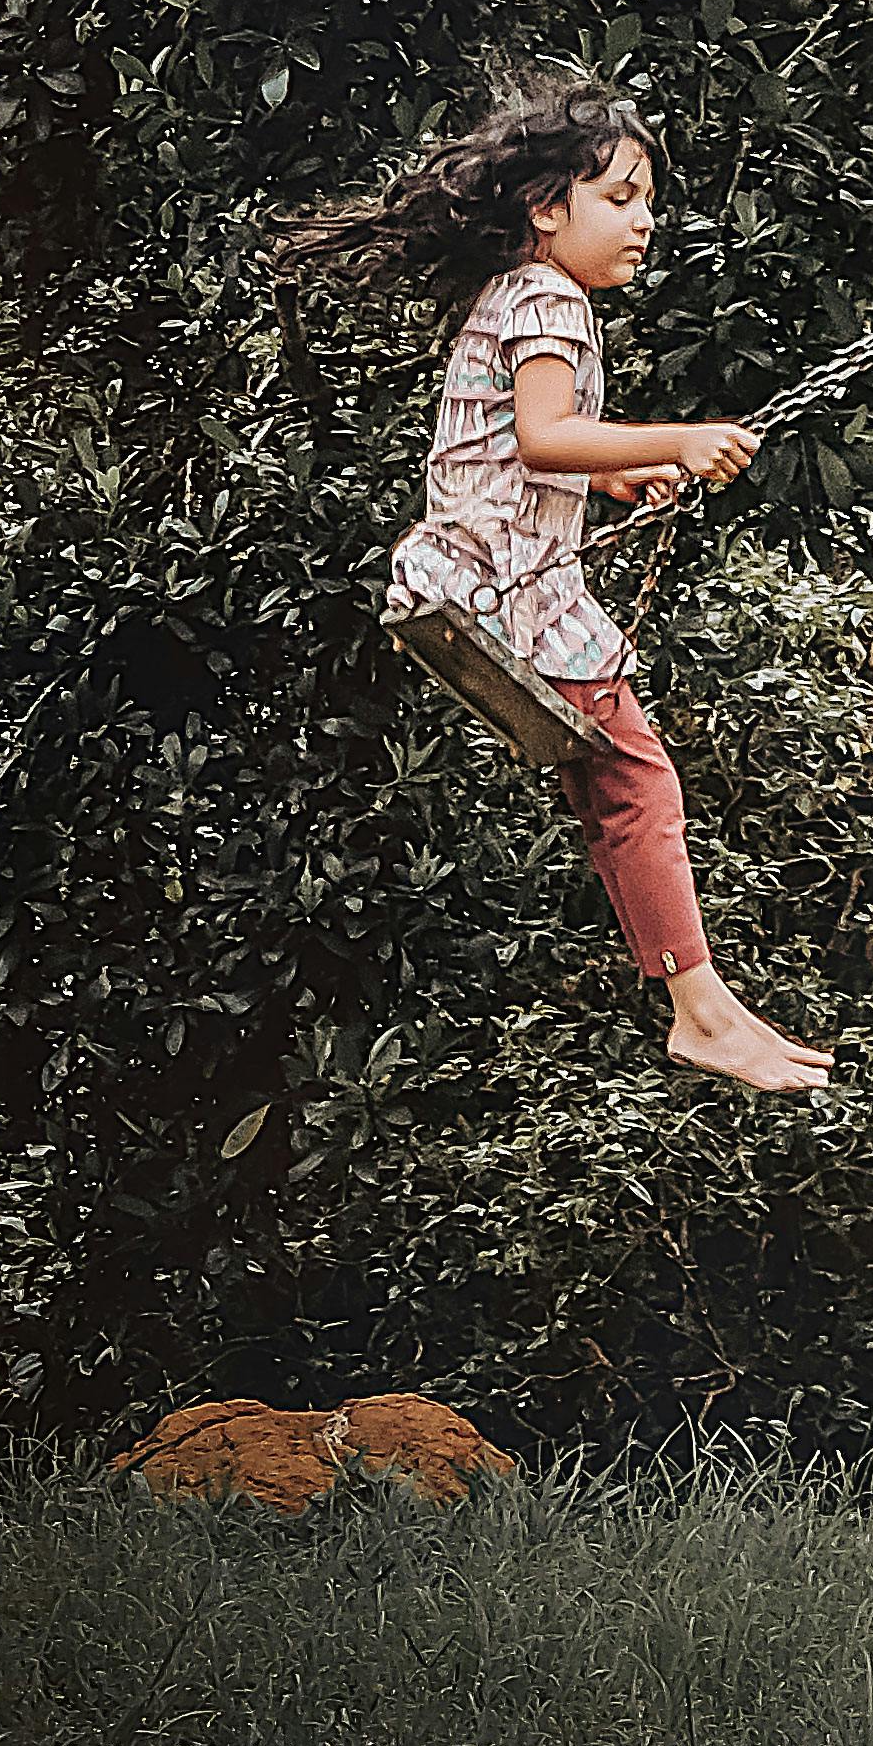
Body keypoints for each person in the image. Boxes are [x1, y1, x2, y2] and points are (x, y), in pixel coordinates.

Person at [271, 72, 830, 1094]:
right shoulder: (552, 297)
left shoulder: (514, 294)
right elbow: (542, 433)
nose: (644, 222)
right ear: (546, 207)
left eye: (648, 200)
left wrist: (614, 471)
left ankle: (703, 999)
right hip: (507, 592)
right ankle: (700, 1009)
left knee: (615, 792)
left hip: (465, 576)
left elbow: (519, 448)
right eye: (619, 198)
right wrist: (680, 435)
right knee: (641, 783)